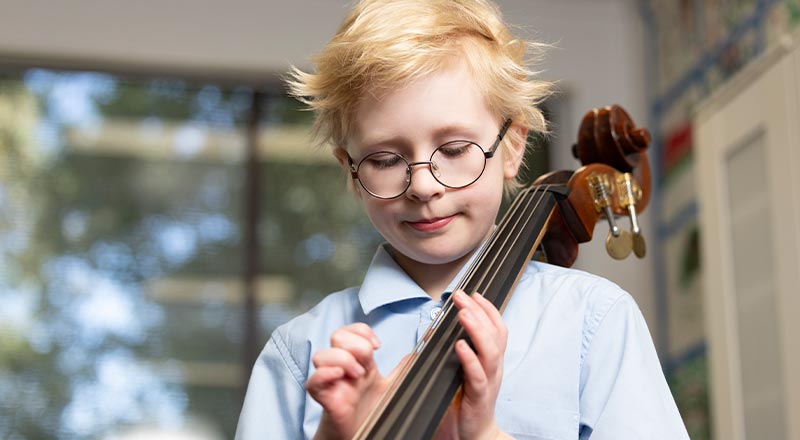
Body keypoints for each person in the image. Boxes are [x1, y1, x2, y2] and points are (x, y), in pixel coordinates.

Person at [236, 0, 688, 438]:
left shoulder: (592, 319)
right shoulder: (302, 352)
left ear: (511, 147)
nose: (423, 186)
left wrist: (486, 435)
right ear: (351, 173)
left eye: (454, 150)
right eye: (384, 159)